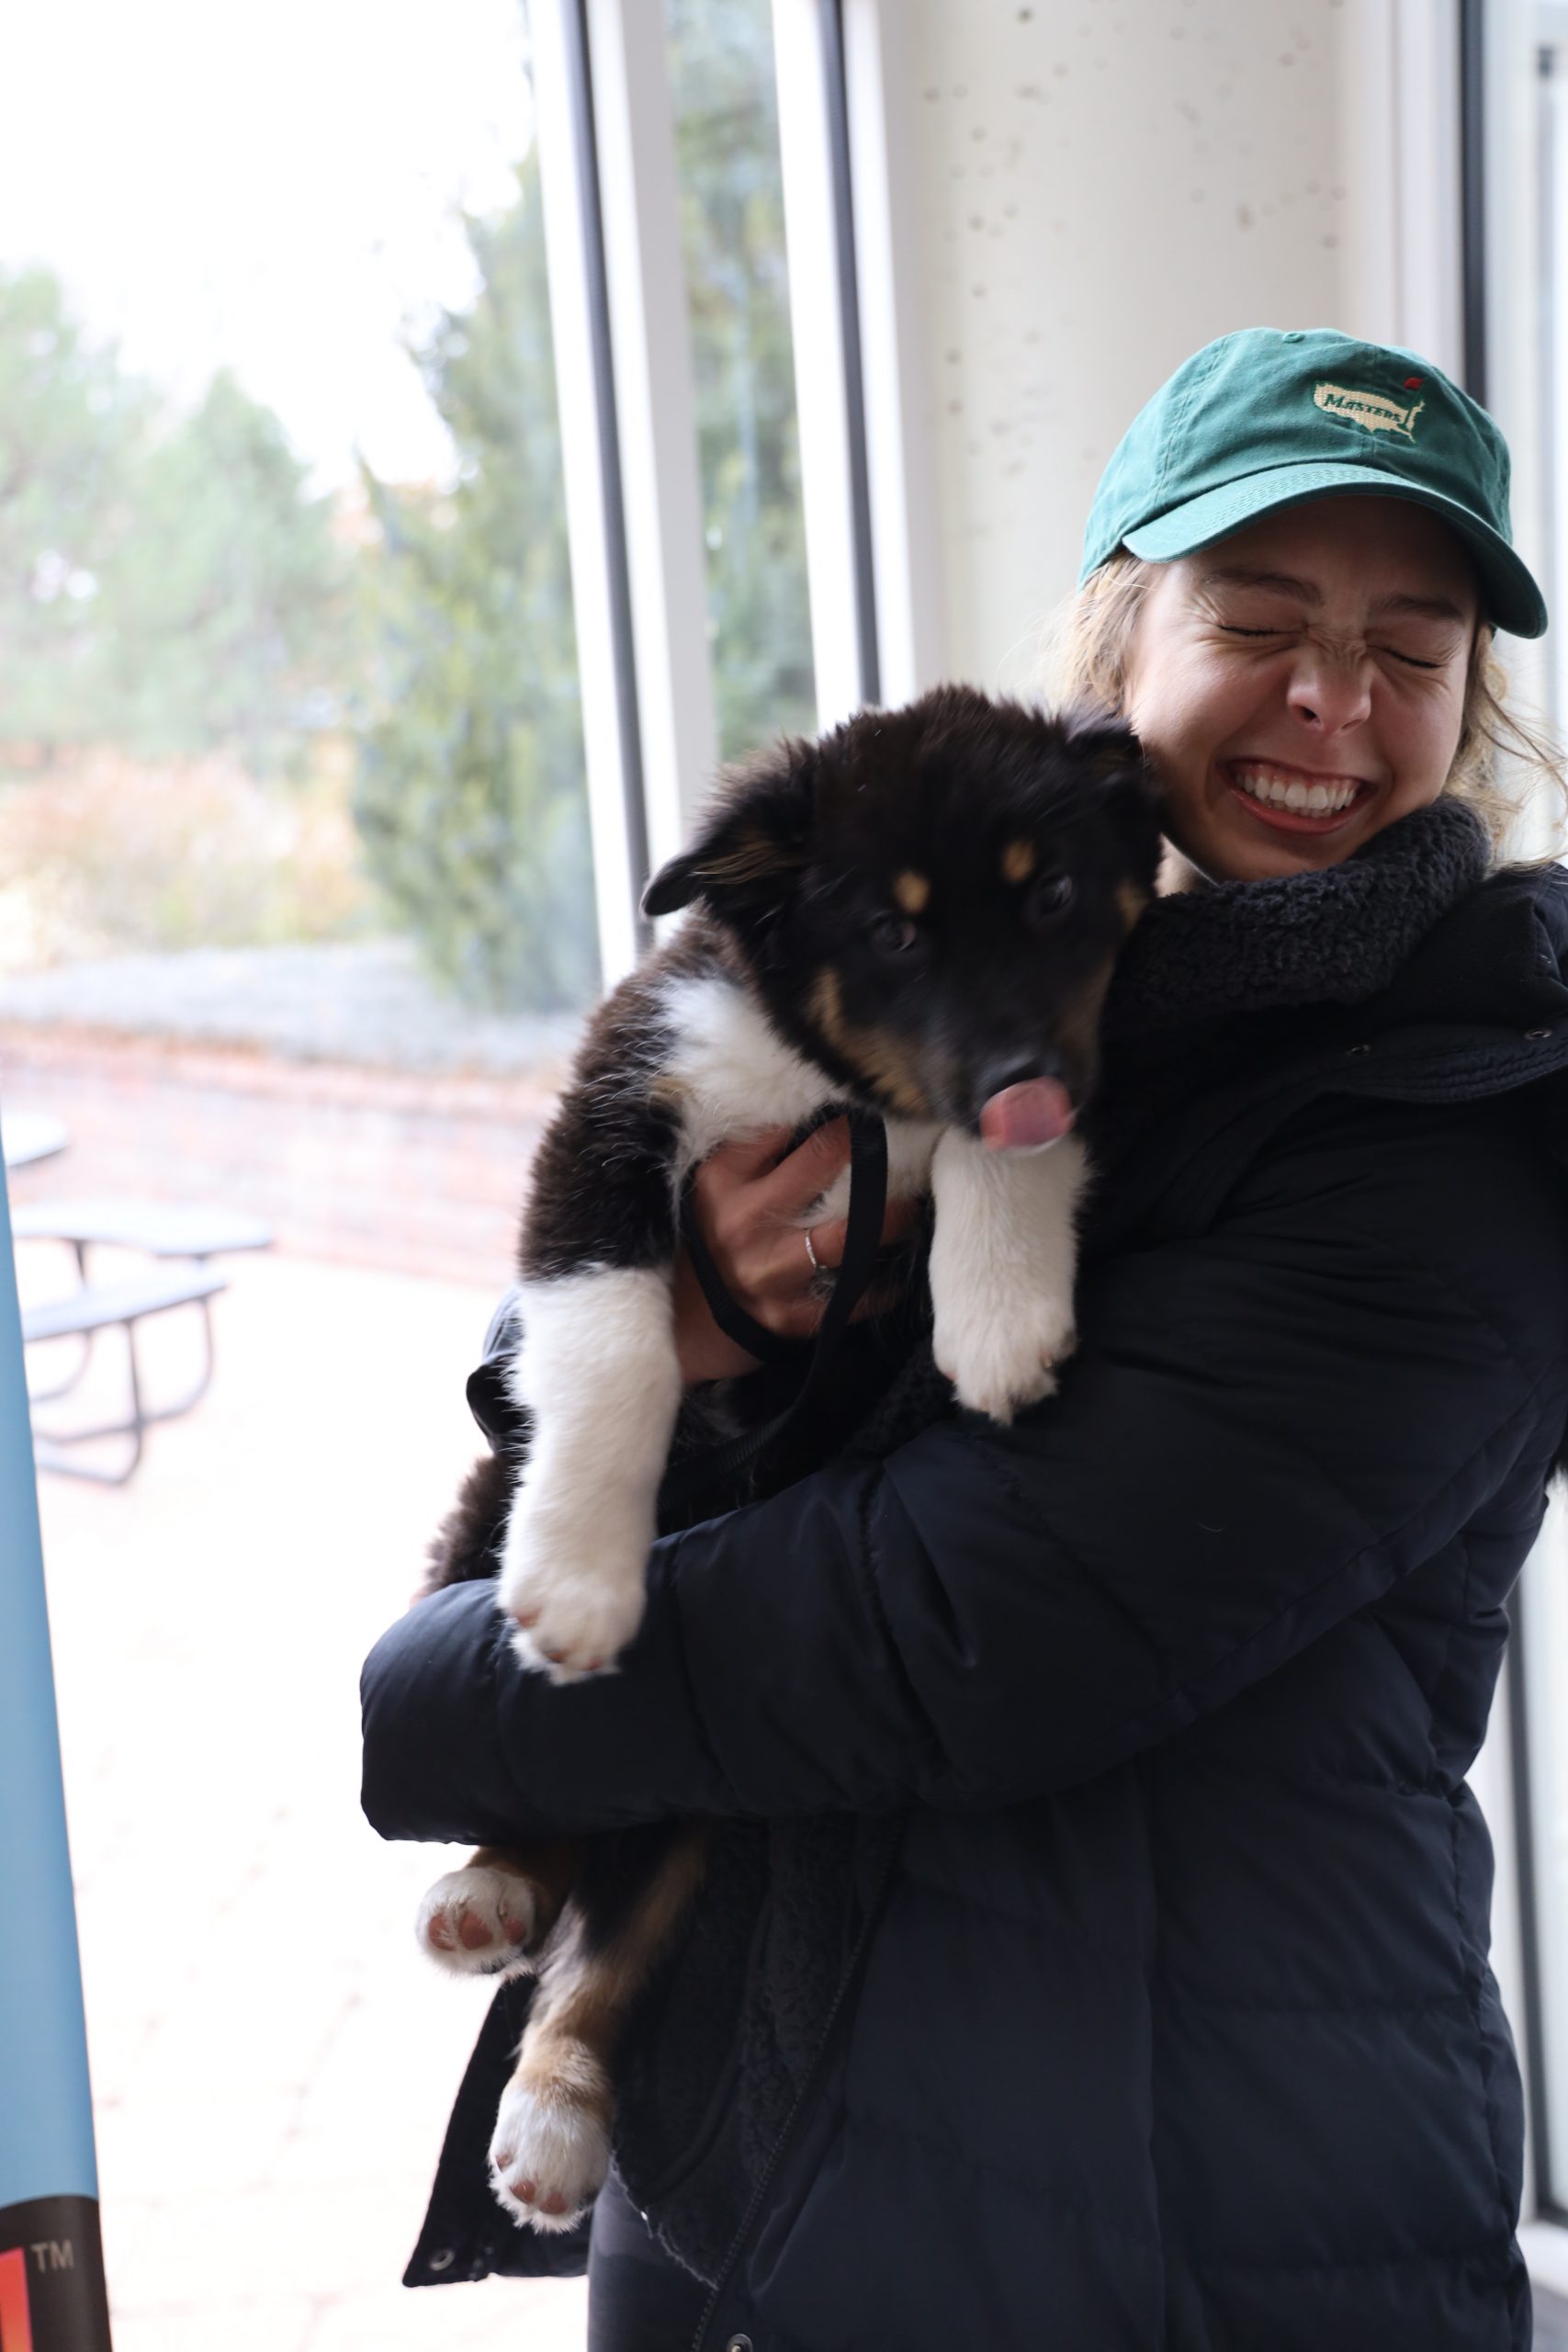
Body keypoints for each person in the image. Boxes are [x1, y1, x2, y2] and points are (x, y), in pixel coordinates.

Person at [361, 327, 1568, 2351]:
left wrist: (441, 1693)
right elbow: (601, 1285)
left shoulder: (1464, 1121)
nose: (1331, 701)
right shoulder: (983, 973)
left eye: (1410, 646)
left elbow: (961, 1628)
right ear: (1119, 644)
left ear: (1472, 699)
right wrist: (706, 1314)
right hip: (750, 2158)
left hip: (1195, 2229)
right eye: (1254, 617)